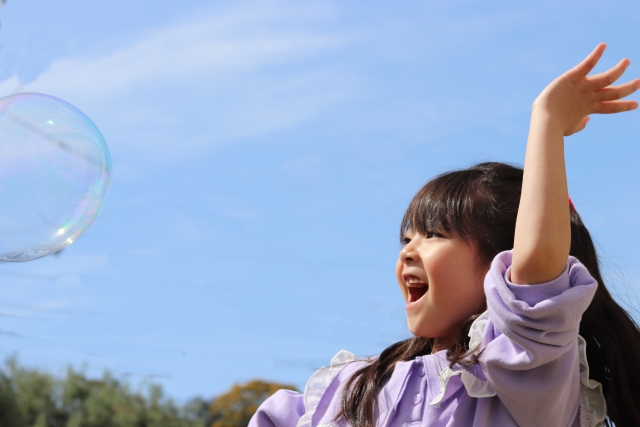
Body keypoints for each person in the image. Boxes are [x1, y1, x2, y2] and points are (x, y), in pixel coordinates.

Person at [248, 44, 640, 427]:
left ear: (504, 266)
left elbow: (538, 271)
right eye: (406, 239)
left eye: (433, 234)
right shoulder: (353, 388)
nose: (408, 252)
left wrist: (548, 120)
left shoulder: (528, 374)